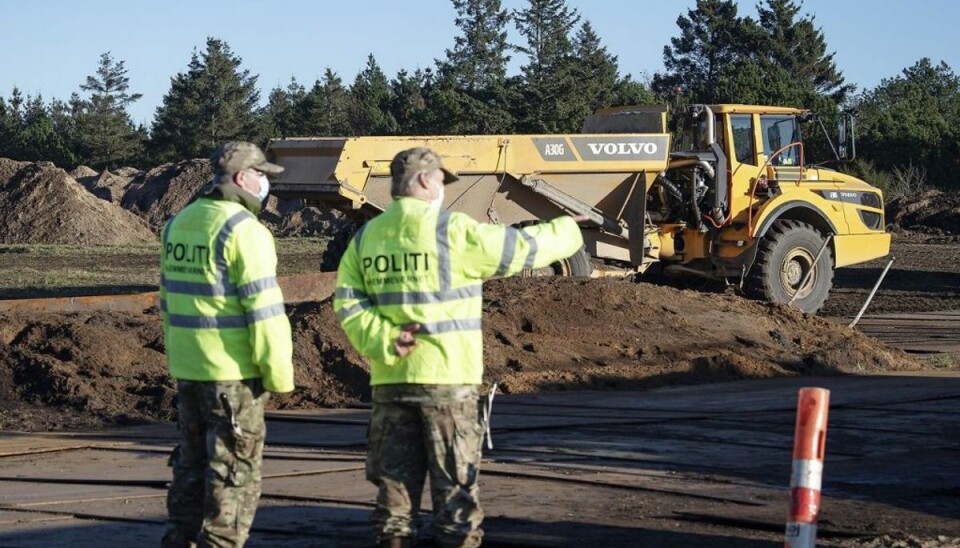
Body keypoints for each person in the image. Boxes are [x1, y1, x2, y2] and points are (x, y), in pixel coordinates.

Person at [334, 147, 585, 548]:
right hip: (447, 383)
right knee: (455, 501)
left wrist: (383, 341)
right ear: (421, 181)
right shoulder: (451, 231)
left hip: (391, 383)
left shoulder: (368, 237)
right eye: (439, 181)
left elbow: (347, 302)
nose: (443, 189)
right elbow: (519, 249)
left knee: (393, 504)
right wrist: (567, 230)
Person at [160, 141, 294, 548]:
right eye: (262, 175)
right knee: (234, 473)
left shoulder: (179, 223)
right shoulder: (244, 231)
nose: (266, 182)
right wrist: (279, 376)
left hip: (189, 368)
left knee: (191, 466)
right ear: (241, 178)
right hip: (233, 376)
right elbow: (265, 313)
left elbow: (166, 299)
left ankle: (180, 540)